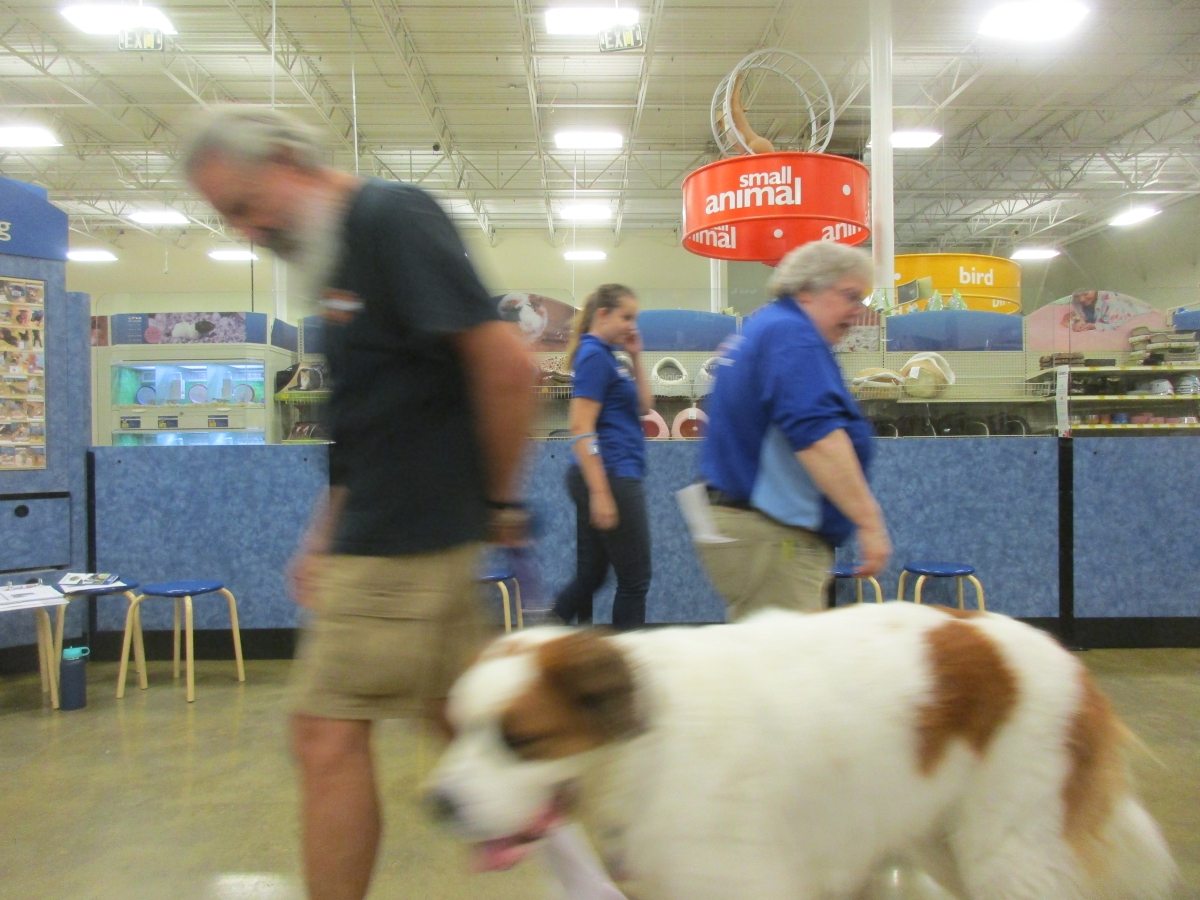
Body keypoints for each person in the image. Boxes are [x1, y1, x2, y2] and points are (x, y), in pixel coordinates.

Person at [184, 107, 534, 900]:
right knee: (465, 728)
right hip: (387, 530)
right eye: (229, 219)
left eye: (245, 206)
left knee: (325, 735)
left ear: (287, 159)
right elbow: (367, 422)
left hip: (402, 540)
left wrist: (496, 501)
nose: (247, 232)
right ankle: (586, 857)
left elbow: (505, 366)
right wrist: (322, 534)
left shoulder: (390, 218)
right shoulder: (337, 260)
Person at [699, 241, 891, 619]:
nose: (857, 311)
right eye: (850, 296)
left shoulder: (763, 327)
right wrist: (870, 523)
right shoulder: (792, 335)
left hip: (745, 524)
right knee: (787, 654)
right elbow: (818, 439)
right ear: (806, 289)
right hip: (774, 533)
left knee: (763, 645)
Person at [553, 284, 653, 630]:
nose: (631, 325)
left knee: (591, 576)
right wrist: (600, 491)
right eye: (626, 317)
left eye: (635, 318)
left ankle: (543, 635)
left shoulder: (609, 357)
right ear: (603, 315)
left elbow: (644, 406)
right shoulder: (595, 355)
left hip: (609, 473)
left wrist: (636, 356)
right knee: (635, 580)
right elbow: (581, 427)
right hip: (611, 474)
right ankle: (626, 659)